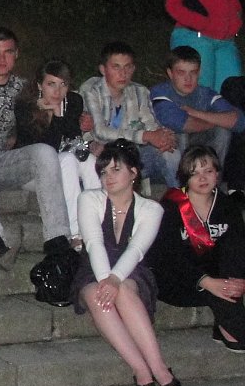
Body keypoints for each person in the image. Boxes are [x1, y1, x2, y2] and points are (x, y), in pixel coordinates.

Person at [0, 27, 74, 267]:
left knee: (44, 152)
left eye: (8, 52)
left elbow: (62, 96)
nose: (1, 59)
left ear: (16, 54)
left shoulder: (23, 89)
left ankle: (57, 238)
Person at [70, 139, 180, 386]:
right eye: (103, 172)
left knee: (125, 291)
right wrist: (105, 279)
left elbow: (137, 249)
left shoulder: (151, 208)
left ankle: (158, 366)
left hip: (132, 270)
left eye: (115, 170)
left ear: (133, 173)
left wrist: (115, 279)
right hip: (94, 268)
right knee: (97, 295)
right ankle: (140, 368)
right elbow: (93, 243)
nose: (108, 177)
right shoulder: (89, 199)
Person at [149, 147, 245, 352]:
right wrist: (206, 281)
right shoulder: (171, 206)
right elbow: (167, 256)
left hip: (221, 280)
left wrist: (238, 280)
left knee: (231, 247)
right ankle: (233, 328)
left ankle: (228, 325)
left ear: (217, 174)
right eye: (194, 173)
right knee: (215, 286)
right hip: (180, 282)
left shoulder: (227, 206)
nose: (202, 178)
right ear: (185, 177)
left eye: (208, 171)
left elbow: (238, 248)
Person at [14, 59, 100, 248]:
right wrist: (56, 115)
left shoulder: (73, 101)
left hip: (65, 164)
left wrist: (60, 114)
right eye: (51, 84)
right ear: (39, 85)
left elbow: (73, 138)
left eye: (63, 84)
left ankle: (98, 226)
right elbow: (47, 152)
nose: (57, 91)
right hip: (32, 172)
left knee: (90, 161)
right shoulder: (24, 106)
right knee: (66, 159)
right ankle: (75, 233)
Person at [78, 41, 176, 187]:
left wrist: (164, 138)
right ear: (103, 70)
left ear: (133, 68)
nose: (123, 74)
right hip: (101, 154)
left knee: (171, 152)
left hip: (133, 153)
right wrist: (146, 136)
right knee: (102, 150)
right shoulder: (91, 91)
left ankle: (182, 197)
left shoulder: (140, 91)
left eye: (127, 67)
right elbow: (100, 132)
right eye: (116, 67)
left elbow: (151, 126)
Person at [150, 46, 245, 187]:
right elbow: (178, 123)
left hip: (195, 147)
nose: (188, 79)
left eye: (193, 72)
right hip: (162, 156)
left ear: (199, 72)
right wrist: (216, 120)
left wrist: (197, 113)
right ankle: (183, 189)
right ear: (170, 73)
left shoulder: (205, 93)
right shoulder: (160, 92)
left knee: (223, 132)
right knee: (179, 134)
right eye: (181, 73)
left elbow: (239, 121)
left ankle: (213, 186)